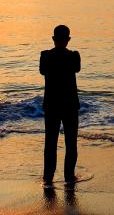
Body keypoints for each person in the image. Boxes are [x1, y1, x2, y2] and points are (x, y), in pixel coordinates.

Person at [39, 25, 81, 186]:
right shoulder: (74, 56)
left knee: (50, 143)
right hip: (70, 105)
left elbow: (43, 71)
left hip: (51, 104)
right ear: (68, 40)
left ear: (53, 39)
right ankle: (69, 176)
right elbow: (76, 68)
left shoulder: (45, 56)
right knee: (71, 143)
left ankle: (48, 176)